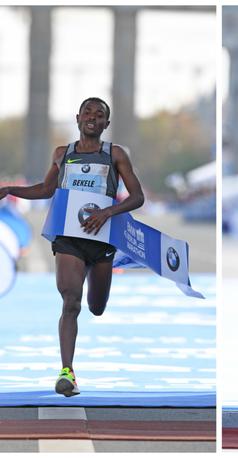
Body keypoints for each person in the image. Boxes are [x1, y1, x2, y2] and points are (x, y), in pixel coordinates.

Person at [0, 97, 144, 396]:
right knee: (70, 301)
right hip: (68, 238)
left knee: (97, 306)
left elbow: (137, 196)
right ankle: (67, 371)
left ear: (106, 123)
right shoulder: (62, 154)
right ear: (78, 118)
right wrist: (11, 190)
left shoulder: (114, 154)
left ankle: (97, 293)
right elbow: (45, 189)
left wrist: (107, 212)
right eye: (88, 112)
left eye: (100, 114)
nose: (93, 117)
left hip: (103, 238)